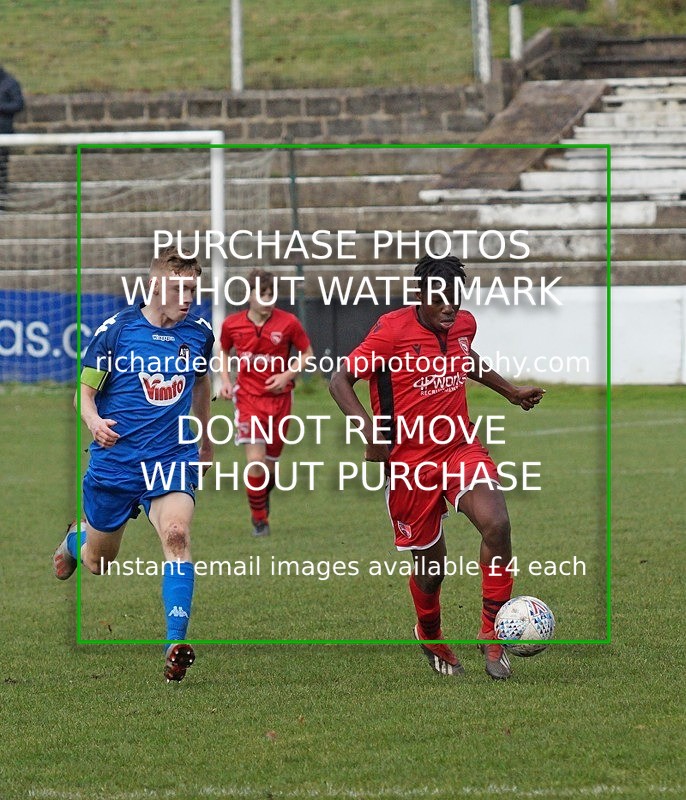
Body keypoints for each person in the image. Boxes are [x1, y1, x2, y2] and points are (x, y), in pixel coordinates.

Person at [329, 255, 545, 680]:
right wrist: (370, 431)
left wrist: (511, 392)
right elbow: (340, 380)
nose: (450, 307)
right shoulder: (391, 330)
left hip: (458, 446)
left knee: (496, 522)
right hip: (409, 462)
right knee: (432, 567)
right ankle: (429, 634)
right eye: (440, 299)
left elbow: (466, 358)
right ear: (419, 297)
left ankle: (492, 633)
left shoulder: (462, 324)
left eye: (455, 298)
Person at [53, 245, 214, 683]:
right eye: (179, 288)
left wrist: (203, 438)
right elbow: (81, 394)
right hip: (116, 464)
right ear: (154, 285)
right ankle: (75, 542)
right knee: (99, 562)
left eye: (193, 289)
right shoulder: (116, 331)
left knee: (177, 536)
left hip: (170, 459)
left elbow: (202, 383)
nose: (188, 298)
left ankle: (175, 643)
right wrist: (93, 422)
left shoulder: (199, 332)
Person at [219, 268, 313, 537]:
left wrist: (287, 374)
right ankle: (259, 520)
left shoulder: (289, 323)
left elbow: (307, 353)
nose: (267, 299)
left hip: (280, 401)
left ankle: (260, 496)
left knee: (269, 469)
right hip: (248, 400)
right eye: (262, 294)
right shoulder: (232, 324)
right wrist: (226, 379)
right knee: (256, 461)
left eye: (271, 294)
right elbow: (224, 350)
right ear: (249, 295)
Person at [0, 65, 24, 205]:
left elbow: (18, 104)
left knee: (1, 166)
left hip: (4, 134)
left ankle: (2, 200)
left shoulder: (10, 83)